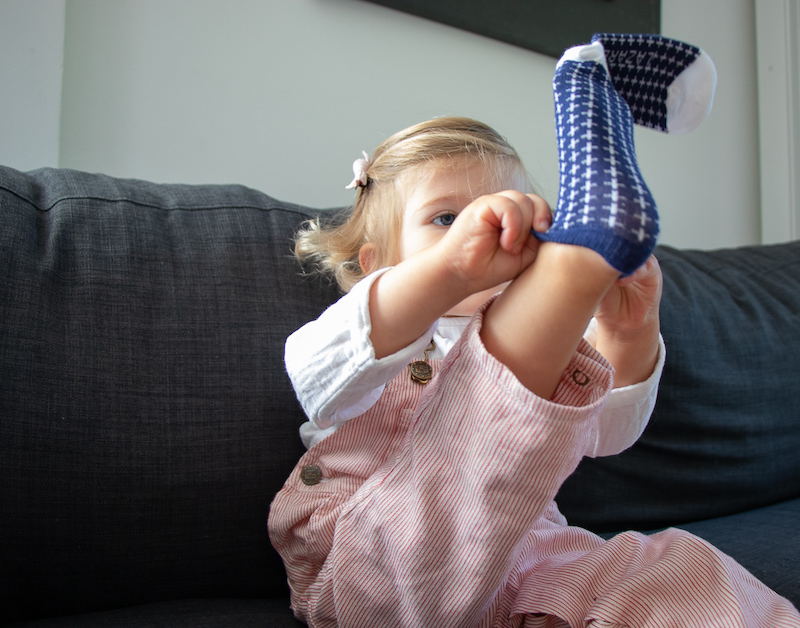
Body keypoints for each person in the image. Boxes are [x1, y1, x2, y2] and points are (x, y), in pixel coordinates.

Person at [269, 33, 800, 627]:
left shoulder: (547, 342)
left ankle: (582, 259)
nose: (487, 228)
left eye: (511, 210)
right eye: (446, 217)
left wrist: (628, 334)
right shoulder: (382, 328)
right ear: (377, 265)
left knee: (677, 576)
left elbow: (603, 435)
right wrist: (446, 272)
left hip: (531, 559)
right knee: (476, 412)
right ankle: (580, 253)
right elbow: (313, 374)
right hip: (375, 555)